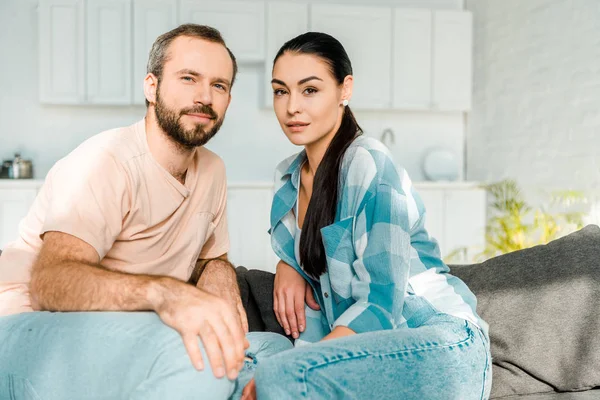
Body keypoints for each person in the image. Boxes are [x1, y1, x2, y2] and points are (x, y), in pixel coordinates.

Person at [0, 24, 290, 400]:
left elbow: (209, 256)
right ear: (151, 87)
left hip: (128, 330)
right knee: (204, 357)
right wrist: (165, 293)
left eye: (219, 85)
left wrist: (217, 269)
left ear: (228, 100)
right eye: (188, 78)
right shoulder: (106, 161)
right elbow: (50, 283)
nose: (204, 96)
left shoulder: (213, 170)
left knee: (277, 354)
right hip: (31, 325)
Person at [241, 32, 492, 400]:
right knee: (230, 358)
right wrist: (288, 265)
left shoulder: (367, 163)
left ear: (345, 90)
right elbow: (320, 312)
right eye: (281, 91)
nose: (292, 106)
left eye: (309, 90)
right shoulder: (288, 183)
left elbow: (380, 304)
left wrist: (301, 368)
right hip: (363, 354)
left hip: (438, 342)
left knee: (280, 376)